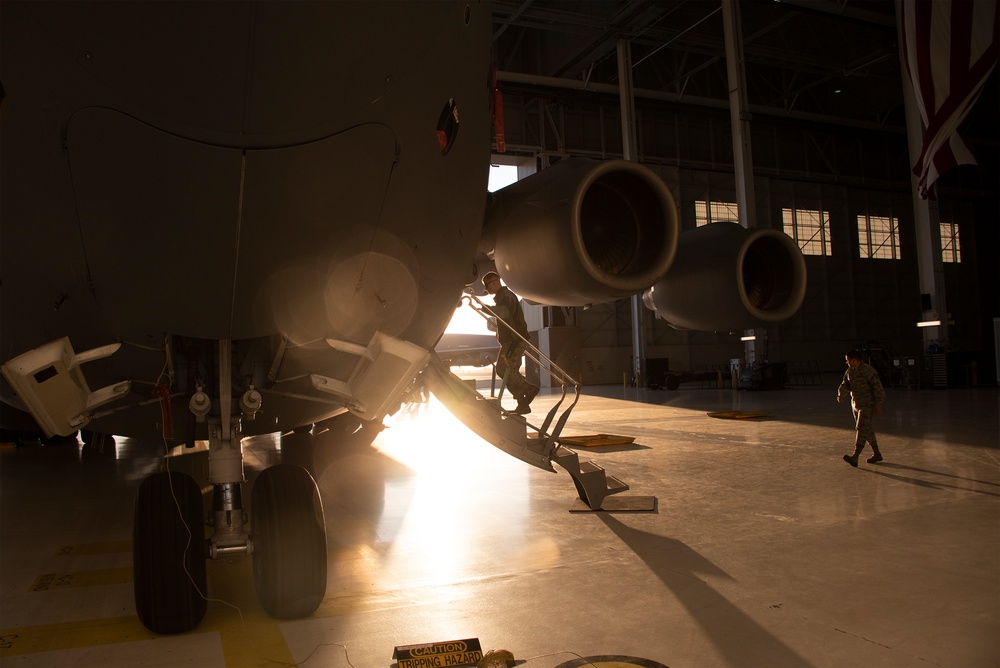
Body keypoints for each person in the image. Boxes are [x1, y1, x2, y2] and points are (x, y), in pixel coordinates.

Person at [481, 271, 539, 414]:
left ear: (494, 282)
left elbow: (504, 312)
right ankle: (523, 404)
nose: (486, 290)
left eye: (487, 286)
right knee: (508, 371)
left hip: (515, 341)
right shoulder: (504, 296)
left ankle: (528, 389)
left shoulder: (505, 296)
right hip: (511, 340)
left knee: (504, 370)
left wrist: (485, 308)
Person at [837, 349, 886, 466]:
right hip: (856, 404)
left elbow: (878, 389)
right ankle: (877, 454)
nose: (847, 363)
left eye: (848, 361)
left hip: (867, 405)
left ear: (854, 360)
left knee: (861, 428)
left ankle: (855, 456)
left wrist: (879, 404)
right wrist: (840, 394)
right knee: (866, 429)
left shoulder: (868, 371)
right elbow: (845, 384)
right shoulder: (850, 371)